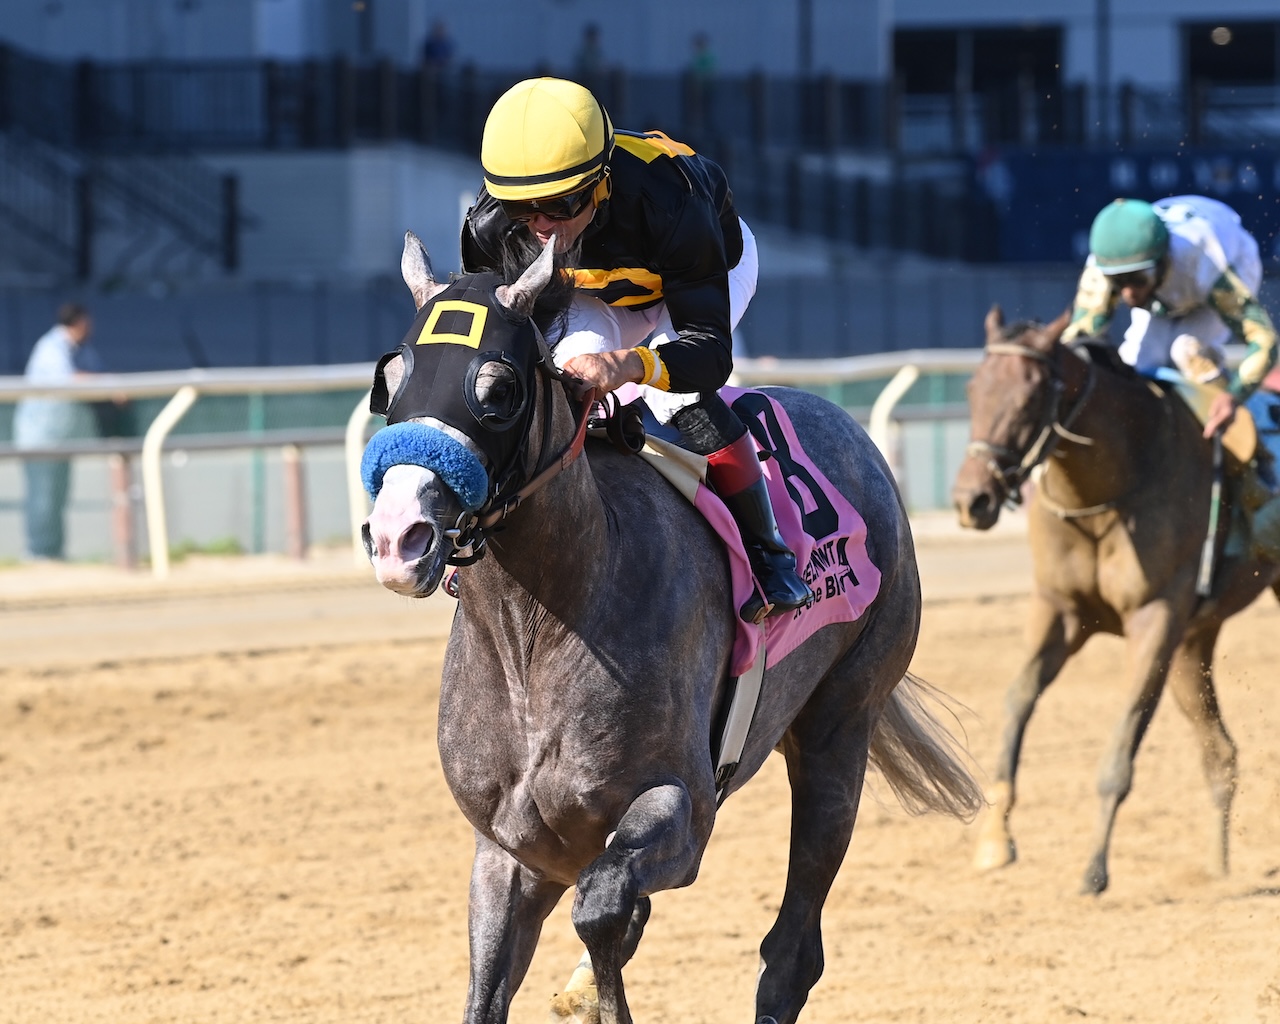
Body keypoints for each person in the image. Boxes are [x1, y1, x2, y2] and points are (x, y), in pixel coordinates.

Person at [460, 77, 812, 622]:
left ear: (599, 183)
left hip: (705, 268)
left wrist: (630, 364)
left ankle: (769, 554)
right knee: (555, 378)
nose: (543, 227)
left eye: (557, 205)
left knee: (678, 399)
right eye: (523, 210)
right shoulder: (491, 228)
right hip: (600, 286)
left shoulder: (672, 201)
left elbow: (710, 353)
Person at [1062, 195, 1280, 559]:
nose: (1129, 294)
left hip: (1232, 259)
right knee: (1133, 366)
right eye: (1120, 282)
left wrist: (1233, 396)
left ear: (1163, 260)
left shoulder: (1201, 262)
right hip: (1167, 286)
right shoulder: (1105, 267)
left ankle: (1256, 468)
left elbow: (1265, 340)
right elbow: (1078, 345)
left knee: (1186, 350)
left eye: (1137, 279)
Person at [12, 302, 102, 561]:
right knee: (42, 496)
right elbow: (68, 380)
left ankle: (54, 553)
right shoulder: (50, 348)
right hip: (39, 437)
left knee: (57, 497)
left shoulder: (80, 350)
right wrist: (105, 383)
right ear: (80, 323)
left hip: (61, 437)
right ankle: (38, 553)